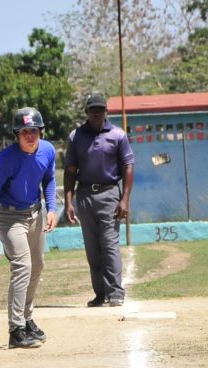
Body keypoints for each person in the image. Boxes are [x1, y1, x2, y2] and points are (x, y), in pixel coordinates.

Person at [0, 107, 57, 349]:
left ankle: (26, 318)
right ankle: (16, 330)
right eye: (24, 131)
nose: (30, 136)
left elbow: (49, 179)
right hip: (8, 216)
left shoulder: (48, 151)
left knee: (38, 265)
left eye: (34, 130)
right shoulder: (5, 160)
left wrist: (52, 208)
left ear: (40, 132)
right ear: (17, 134)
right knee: (22, 266)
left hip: (35, 212)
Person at [63, 92, 135, 308]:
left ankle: (115, 293)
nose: (96, 112)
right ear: (86, 112)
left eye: (100, 109)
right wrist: (69, 201)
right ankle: (100, 293)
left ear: (106, 111)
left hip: (109, 194)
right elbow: (70, 171)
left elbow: (128, 167)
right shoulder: (76, 137)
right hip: (85, 195)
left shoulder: (117, 135)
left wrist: (125, 199)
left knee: (110, 245)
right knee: (93, 249)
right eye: (92, 109)